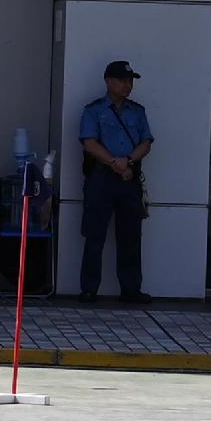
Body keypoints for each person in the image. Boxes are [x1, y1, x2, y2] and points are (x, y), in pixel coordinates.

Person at [77, 57, 155, 301]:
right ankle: (89, 288)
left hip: (129, 178)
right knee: (95, 234)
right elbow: (89, 143)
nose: (127, 85)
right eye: (122, 80)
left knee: (130, 235)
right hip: (102, 177)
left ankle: (131, 288)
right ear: (109, 81)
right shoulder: (93, 110)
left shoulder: (138, 111)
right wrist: (115, 163)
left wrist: (129, 162)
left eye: (130, 80)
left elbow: (146, 142)